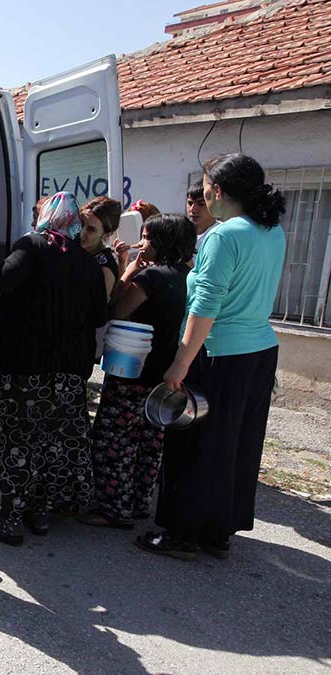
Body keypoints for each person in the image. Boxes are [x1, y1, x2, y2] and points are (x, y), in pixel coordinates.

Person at [140, 153, 287, 561]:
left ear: (217, 191)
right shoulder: (271, 230)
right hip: (259, 351)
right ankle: (217, 531)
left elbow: (206, 305)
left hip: (219, 351)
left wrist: (181, 362)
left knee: (194, 443)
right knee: (237, 443)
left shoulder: (224, 235)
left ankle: (181, 534)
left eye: (205, 186)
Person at [0, 192, 108, 546]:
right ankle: (40, 513)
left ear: (45, 217)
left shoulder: (32, 246)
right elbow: (99, 317)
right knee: (53, 445)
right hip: (69, 373)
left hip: (27, 369)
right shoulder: (87, 262)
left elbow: (2, 279)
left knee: (18, 442)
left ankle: (7, 520)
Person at [80, 214, 195, 529]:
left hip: (132, 369)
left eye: (146, 237)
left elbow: (116, 308)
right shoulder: (189, 276)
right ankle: (139, 503)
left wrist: (128, 269)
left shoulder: (152, 278)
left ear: (160, 242)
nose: (142, 243)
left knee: (115, 441)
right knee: (150, 440)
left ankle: (113, 509)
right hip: (164, 374)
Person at [79, 196, 126, 298]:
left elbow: (97, 310)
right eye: (81, 223)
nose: (81, 233)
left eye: (91, 230)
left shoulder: (104, 268)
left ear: (107, 234)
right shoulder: (74, 250)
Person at [187, 182, 219, 252]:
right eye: (190, 203)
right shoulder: (180, 232)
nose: (192, 209)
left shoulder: (222, 235)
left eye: (201, 204)